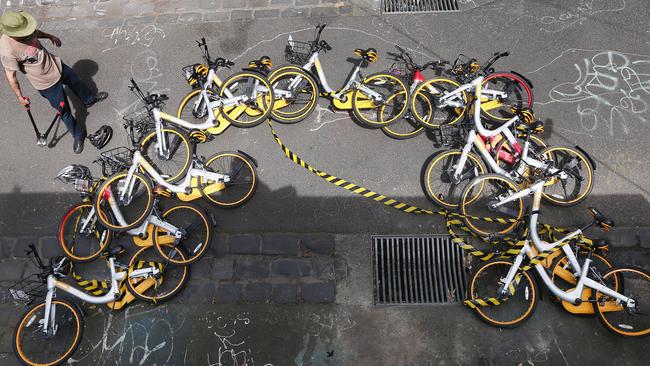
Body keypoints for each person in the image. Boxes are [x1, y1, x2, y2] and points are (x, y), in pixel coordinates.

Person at [0, 11, 108, 154]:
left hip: (56, 65)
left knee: (76, 81)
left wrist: (50, 36)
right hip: (45, 83)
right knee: (65, 112)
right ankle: (78, 135)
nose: (28, 33)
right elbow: (11, 76)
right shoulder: (7, 50)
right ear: (12, 33)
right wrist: (20, 97)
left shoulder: (26, 30)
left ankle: (89, 99)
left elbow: (35, 32)